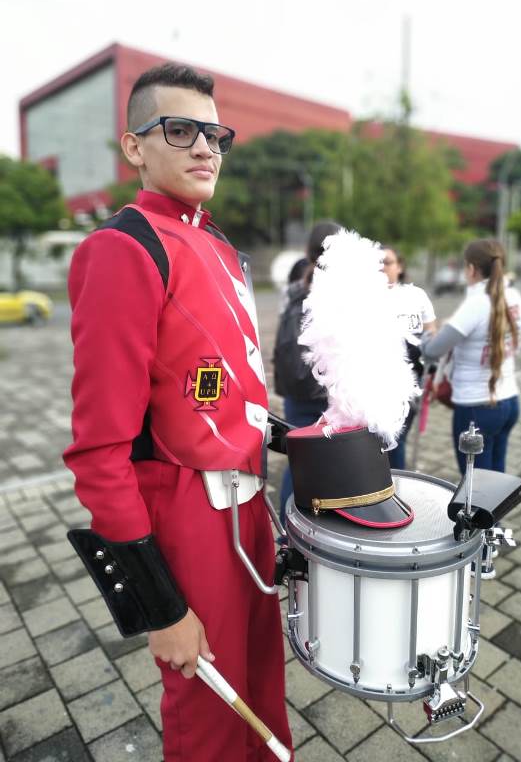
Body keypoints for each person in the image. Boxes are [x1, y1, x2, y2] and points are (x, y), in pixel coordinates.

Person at [63, 63, 292, 762]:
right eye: (180, 129)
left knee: (262, 691)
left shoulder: (220, 246)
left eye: (215, 134)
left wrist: (309, 434)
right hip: (188, 516)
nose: (205, 149)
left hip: (250, 509)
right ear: (134, 146)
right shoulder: (125, 248)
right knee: (211, 719)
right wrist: (158, 604)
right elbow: (98, 450)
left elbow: (227, 390)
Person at [421, 238, 521, 475]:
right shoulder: (516, 297)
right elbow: (514, 345)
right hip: (510, 400)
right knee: (496, 482)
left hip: (476, 409)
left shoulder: (477, 304)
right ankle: (496, 514)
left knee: (475, 487)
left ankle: (481, 514)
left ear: (471, 269)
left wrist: (429, 332)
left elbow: (433, 349)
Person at [273, 221, 341, 523]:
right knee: (334, 465)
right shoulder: (345, 292)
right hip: (332, 395)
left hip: (296, 393)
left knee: (298, 463)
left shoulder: (292, 290)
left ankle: (289, 530)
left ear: (307, 252)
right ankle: (324, 528)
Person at [381, 246, 436, 469]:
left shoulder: (416, 295)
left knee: (398, 439)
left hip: (412, 381)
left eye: (387, 262)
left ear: (399, 266)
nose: (382, 267)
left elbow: (432, 331)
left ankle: (398, 487)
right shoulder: (364, 298)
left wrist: (432, 371)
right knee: (380, 440)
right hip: (378, 382)